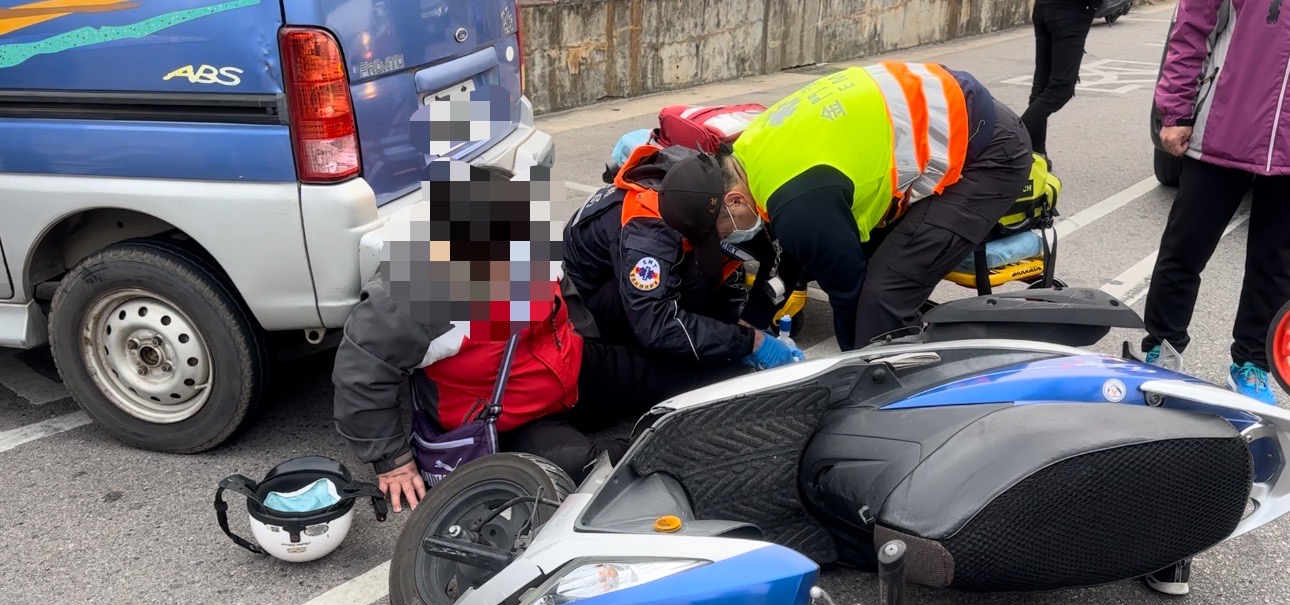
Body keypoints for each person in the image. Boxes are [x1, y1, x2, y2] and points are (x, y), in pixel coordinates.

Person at [332, 160, 802, 514]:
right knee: (598, 470)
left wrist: (748, 345)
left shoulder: (528, 243)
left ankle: (775, 405)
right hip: (506, 416)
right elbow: (361, 367)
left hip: (574, 370)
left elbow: (567, 296)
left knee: (690, 373)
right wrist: (391, 459)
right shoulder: (421, 288)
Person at [658, 62, 1034, 351]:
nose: (731, 237)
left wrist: (849, 372)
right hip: (957, 111)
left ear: (734, 199)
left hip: (986, 154)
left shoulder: (798, 205)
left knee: (881, 299)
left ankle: (894, 415)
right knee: (880, 284)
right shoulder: (746, 154)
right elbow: (793, 252)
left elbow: (846, 294)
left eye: (723, 230)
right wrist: (755, 321)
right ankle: (919, 351)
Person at [1136, 0, 1290, 596]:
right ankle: (1161, 347)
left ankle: (1249, 361)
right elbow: (1191, 30)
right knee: (1184, 251)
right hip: (1225, 123)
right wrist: (1174, 110)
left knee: (1275, 265)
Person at [561, 141, 803, 369]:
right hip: (587, 311)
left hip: (622, 277)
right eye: (724, 231)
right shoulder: (649, 231)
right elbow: (656, 324)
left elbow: (749, 266)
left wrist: (746, 322)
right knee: (685, 350)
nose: (725, 236)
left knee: (706, 274)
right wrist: (749, 342)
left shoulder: (706, 185)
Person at [1020, 0, 1098, 165]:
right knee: (1061, 88)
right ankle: (1013, 137)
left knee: (1041, 86)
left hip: (1043, 8)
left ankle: (1036, 153)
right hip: (1070, 13)